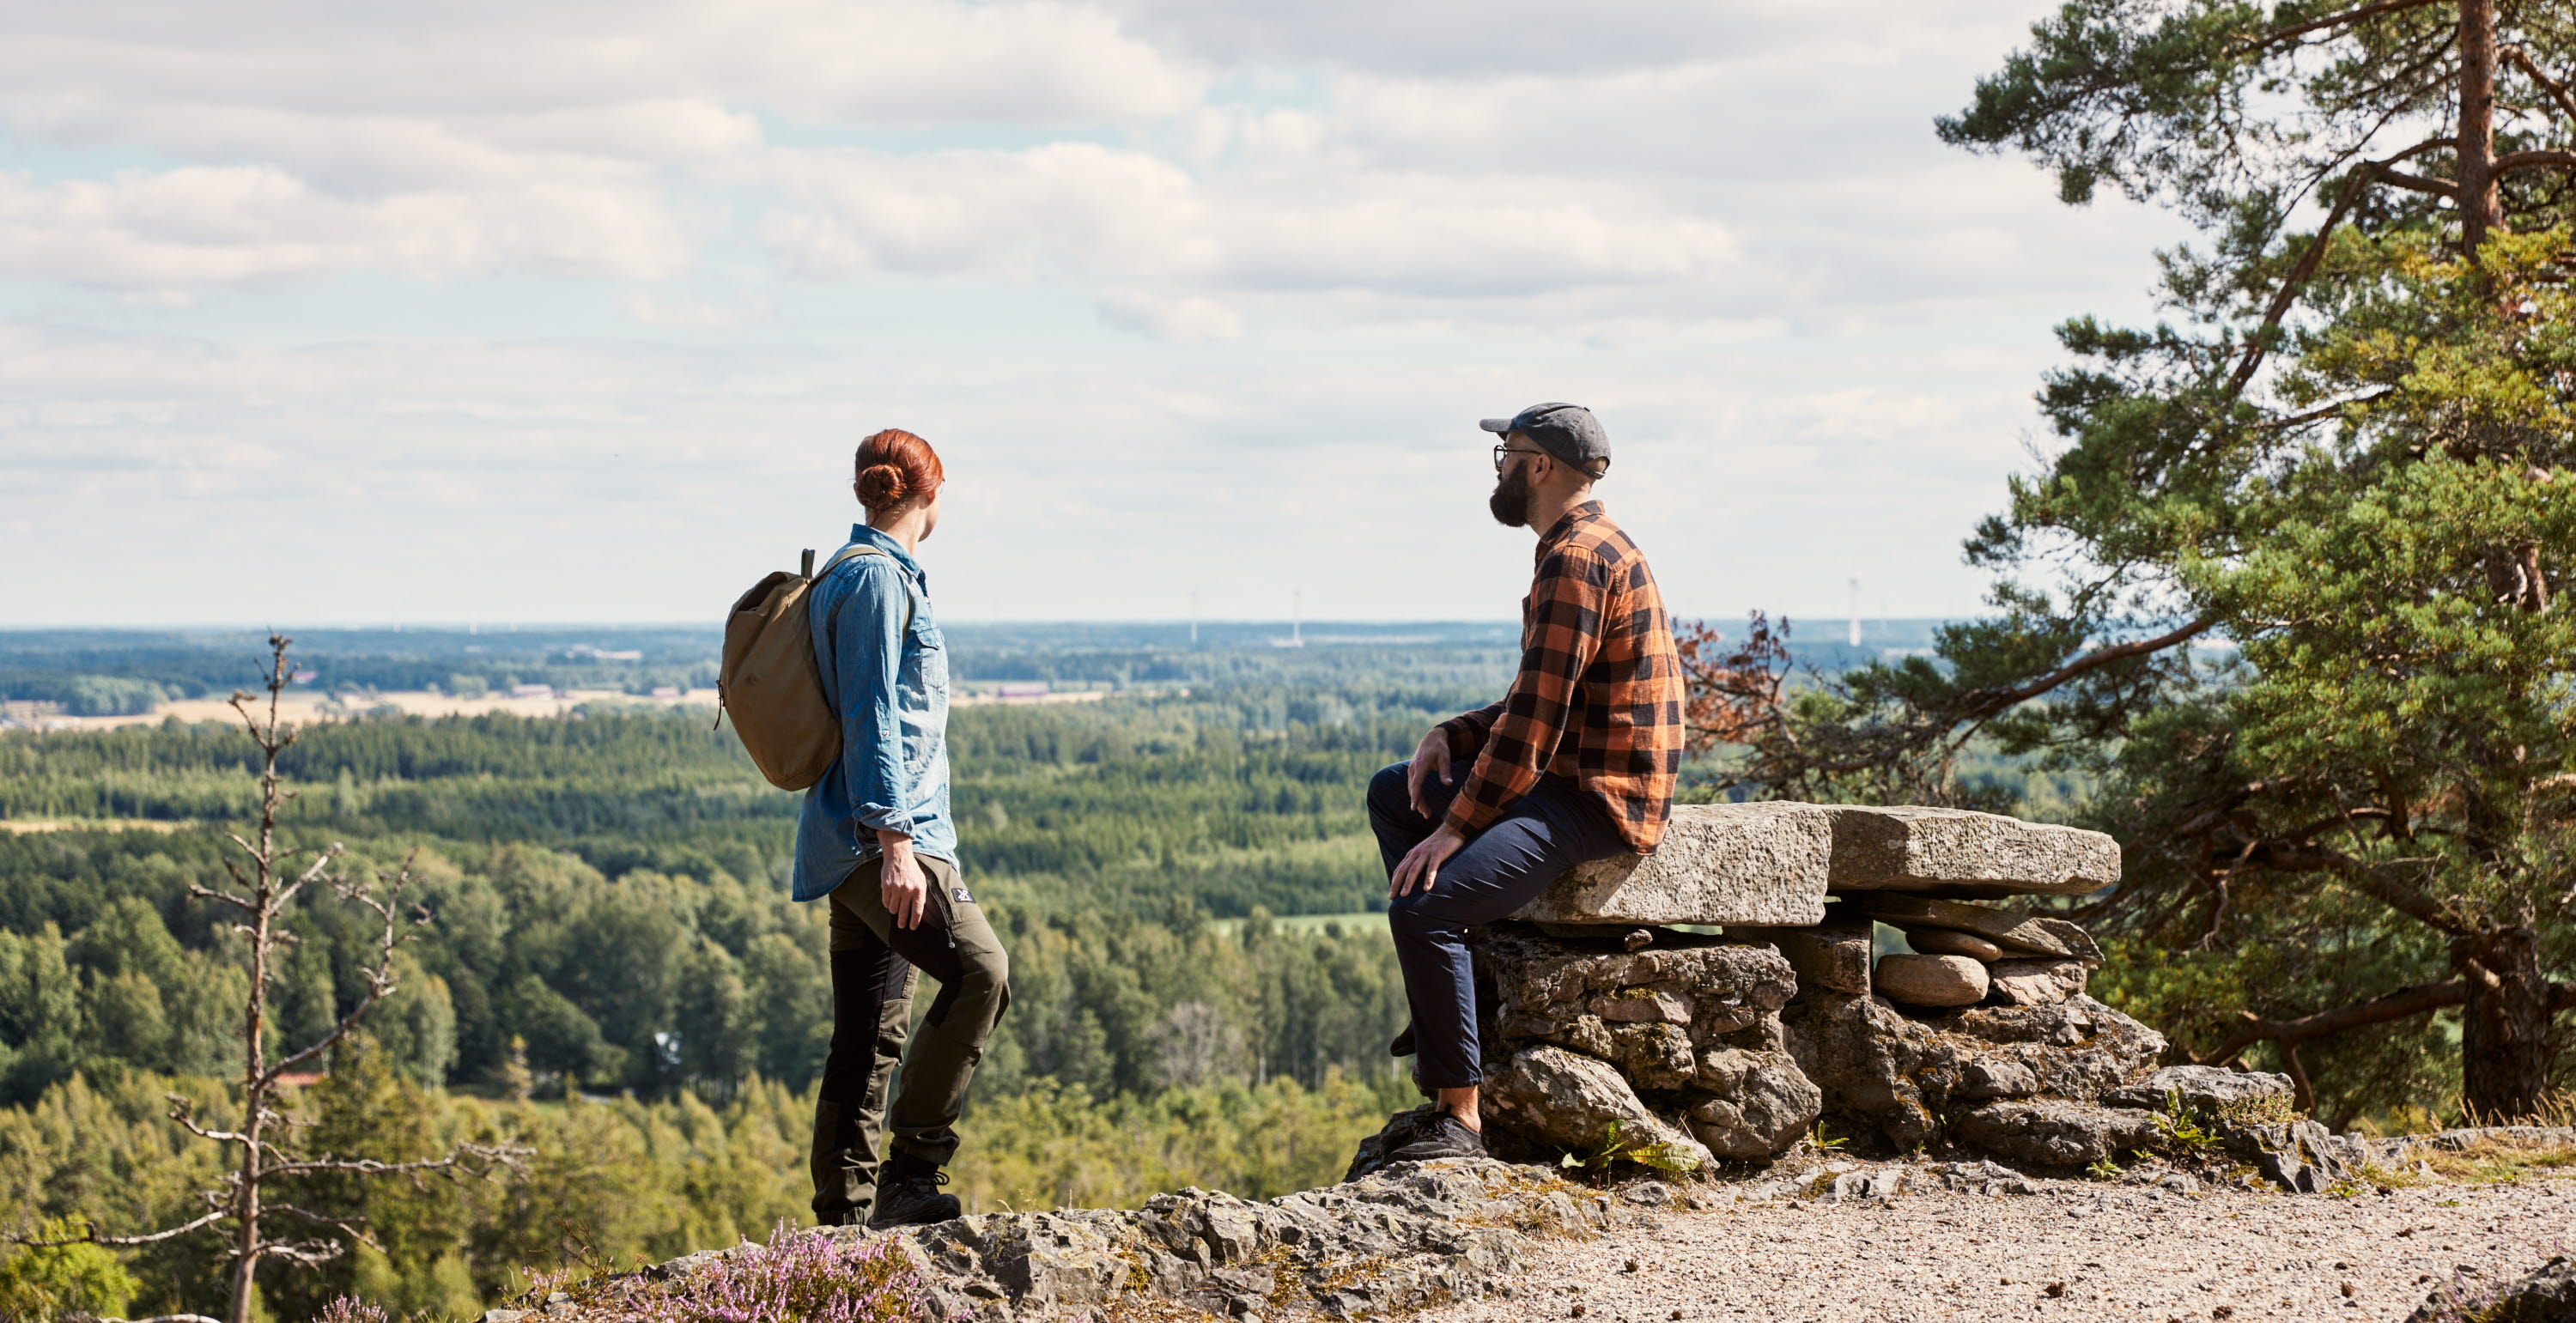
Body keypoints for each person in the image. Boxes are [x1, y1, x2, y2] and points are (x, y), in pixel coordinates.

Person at [1369, 402, 1684, 1161]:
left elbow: (1539, 720)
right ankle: (1452, 1001)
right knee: (1393, 790)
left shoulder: (1577, 560)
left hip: (1598, 797)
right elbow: (1540, 695)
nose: (1500, 467)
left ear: (1539, 466)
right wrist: (1455, 733)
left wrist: (1457, 826)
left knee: (1425, 907)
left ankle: (1460, 1115)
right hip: (1574, 775)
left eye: (1506, 453)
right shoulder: (1583, 546)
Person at [794, 428, 1009, 1229]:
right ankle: (914, 1169)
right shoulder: (880, 583)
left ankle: (844, 1221)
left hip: (843, 843)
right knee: (984, 972)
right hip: (883, 844)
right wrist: (897, 845)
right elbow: (873, 714)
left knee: (866, 1037)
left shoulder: (844, 576)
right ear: (929, 492)